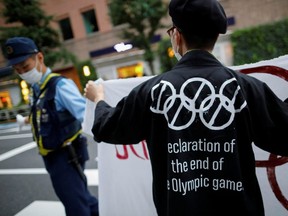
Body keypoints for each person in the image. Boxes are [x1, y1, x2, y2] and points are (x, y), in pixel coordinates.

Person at [84, 0, 288, 215]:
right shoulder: (246, 89)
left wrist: (98, 98)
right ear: (216, 35)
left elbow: (107, 127)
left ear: (176, 36)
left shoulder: (153, 91)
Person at [3, 37, 99, 216]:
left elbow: (86, 115)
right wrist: (25, 120)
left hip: (67, 154)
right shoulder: (37, 88)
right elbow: (43, 113)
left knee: (75, 204)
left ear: (40, 57)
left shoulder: (60, 85)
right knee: (82, 197)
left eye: (25, 66)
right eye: (18, 70)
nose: (23, 72)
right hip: (54, 155)